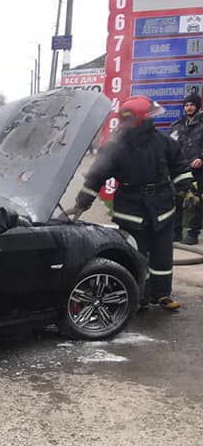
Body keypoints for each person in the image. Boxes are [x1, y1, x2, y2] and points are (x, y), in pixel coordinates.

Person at [66, 95, 195, 310]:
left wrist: (188, 190)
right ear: (141, 119)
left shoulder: (164, 142)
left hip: (162, 207)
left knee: (163, 254)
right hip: (131, 210)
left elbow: (179, 167)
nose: (153, 120)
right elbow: (96, 177)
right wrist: (82, 202)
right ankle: (139, 296)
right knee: (136, 256)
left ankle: (162, 294)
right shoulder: (115, 146)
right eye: (150, 116)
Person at [168, 93, 203, 245]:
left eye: (192, 105)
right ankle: (176, 232)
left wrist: (201, 158)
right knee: (176, 201)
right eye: (186, 105)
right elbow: (169, 146)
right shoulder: (176, 125)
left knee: (196, 202)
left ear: (198, 107)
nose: (189, 108)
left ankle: (193, 233)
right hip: (179, 170)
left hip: (197, 170)